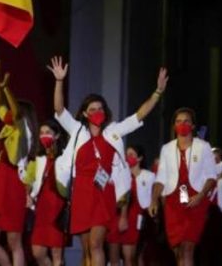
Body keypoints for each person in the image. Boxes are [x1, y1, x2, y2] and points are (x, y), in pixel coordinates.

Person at [49, 55, 168, 266]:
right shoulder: (77, 130)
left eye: (101, 108)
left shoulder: (114, 131)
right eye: (93, 109)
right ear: (85, 113)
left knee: (96, 244)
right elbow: (59, 109)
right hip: (82, 192)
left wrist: (157, 92)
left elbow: (139, 115)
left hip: (104, 193)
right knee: (87, 248)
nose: (98, 112)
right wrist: (59, 81)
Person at [150, 108, 218, 265]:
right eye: (179, 121)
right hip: (173, 202)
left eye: (186, 121)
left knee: (188, 247)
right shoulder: (167, 149)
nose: (182, 124)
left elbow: (211, 177)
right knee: (178, 251)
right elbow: (161, 178)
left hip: (195, 200)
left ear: (193, 125)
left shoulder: (203, 146)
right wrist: (154, 200)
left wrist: (201, 196)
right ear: (174, 126)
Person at [0, 62, 34, 266]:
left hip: (14, 183)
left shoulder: (23, 130)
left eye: (14, 111)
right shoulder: (8, 126)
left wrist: (7, 88)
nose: (10, 114)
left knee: (14, 241)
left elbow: (16, 111)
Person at [108, 144, 155, 266]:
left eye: (131, 155)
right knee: (114, 258)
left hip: (136, 220)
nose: (128, 157)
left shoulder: (149, 176)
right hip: (116, 217)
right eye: (126, 155)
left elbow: (154, 199)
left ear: (140, 158)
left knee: (131, 258)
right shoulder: (119, 174)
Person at [30, 119, 69, 266]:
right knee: (37, 252)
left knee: (56, 254)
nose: (43, 136)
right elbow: (32, 180)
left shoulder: (64, 158)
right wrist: (30, 194)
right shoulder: (38, 158)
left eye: (48, 133)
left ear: (57, 135)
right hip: (41, 208)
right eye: (41, 133)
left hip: (57, 207)